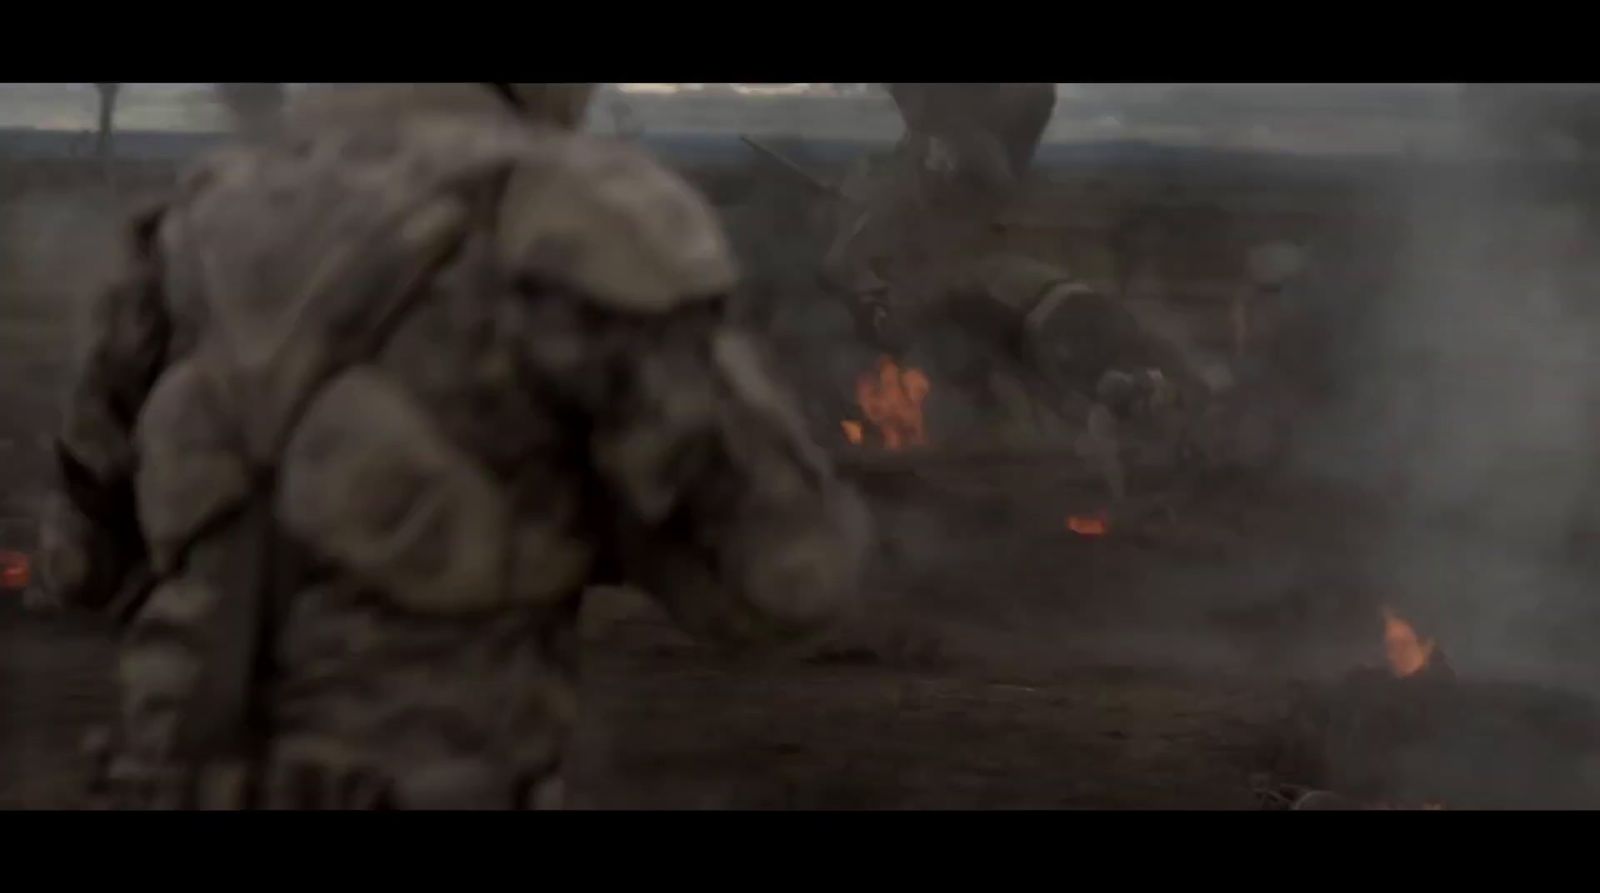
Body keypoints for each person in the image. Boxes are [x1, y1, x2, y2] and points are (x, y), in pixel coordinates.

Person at [32, 83, 870, 809]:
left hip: (165, 781)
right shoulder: (577, 219)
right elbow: (788, 576)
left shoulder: (191, 219)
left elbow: (78, 566)